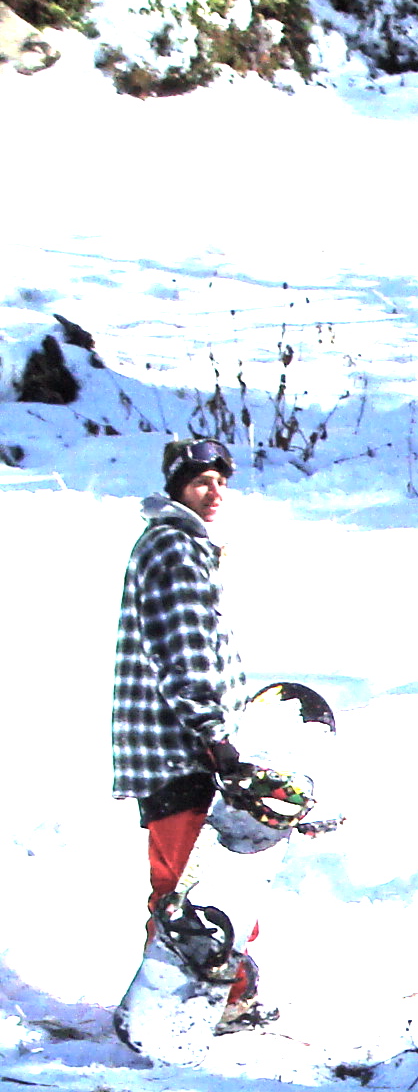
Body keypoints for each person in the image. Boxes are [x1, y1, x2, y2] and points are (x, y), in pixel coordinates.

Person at [111, 435, 264, 1030]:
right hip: (179, 746)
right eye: (202, 481)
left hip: (180, 742)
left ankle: (220, 997)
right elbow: (185, 653)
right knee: (185, 889)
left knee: (195, 880)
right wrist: (214, 735)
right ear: (177, 486)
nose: (215, 491)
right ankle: (182, 1007)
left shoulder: (180, 545)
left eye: (222, 480)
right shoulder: (176, 550)